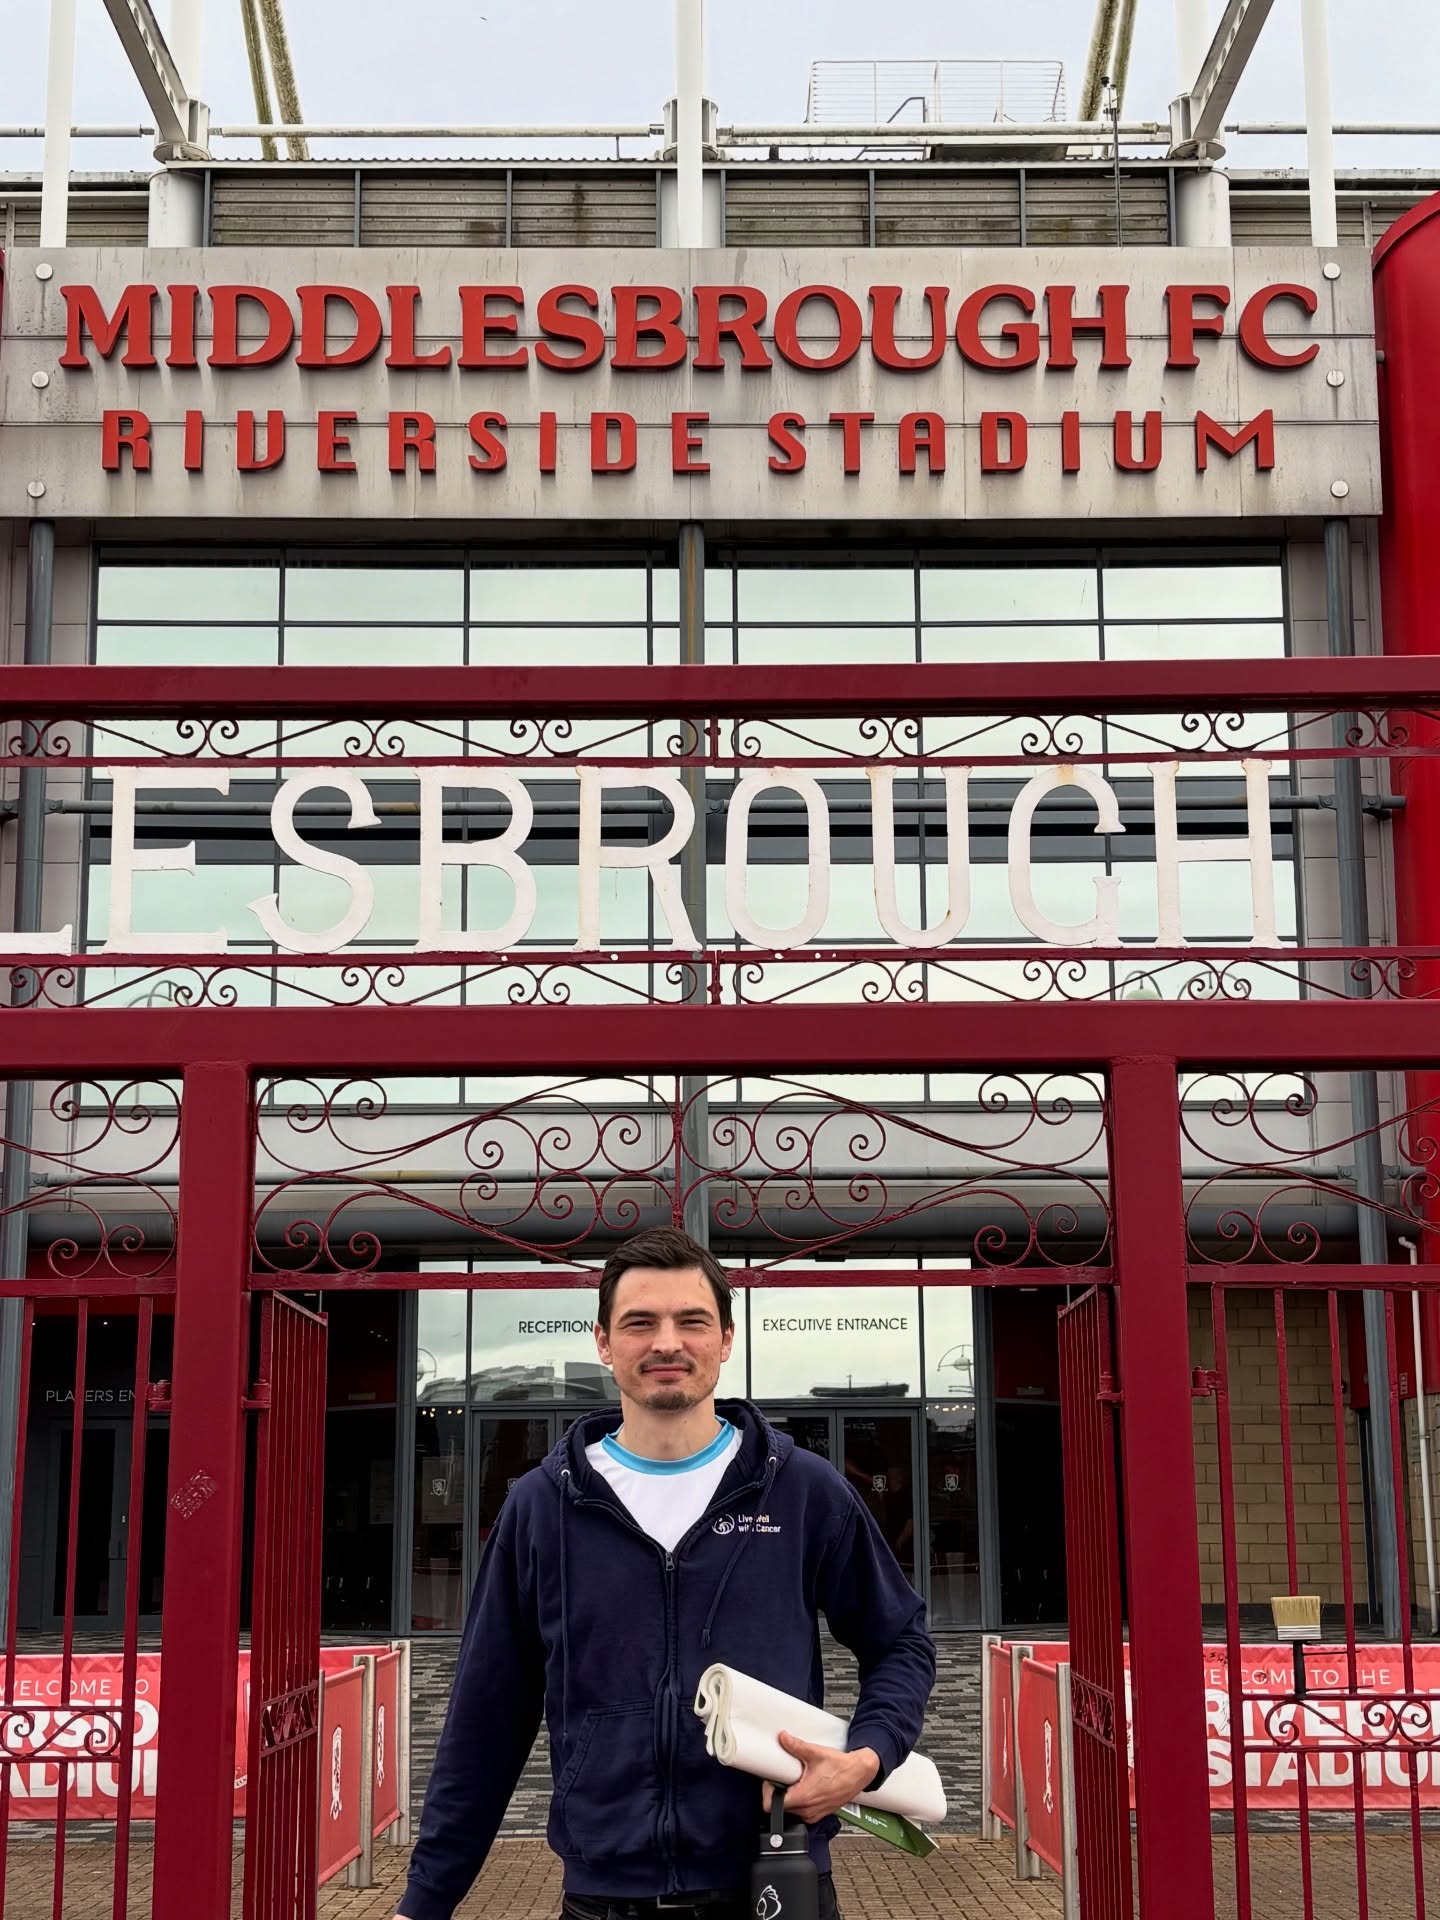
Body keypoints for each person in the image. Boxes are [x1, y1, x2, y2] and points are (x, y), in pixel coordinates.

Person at [395, 1226, 937, 1920]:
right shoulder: (541, 1507)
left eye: (692, 1321)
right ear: (603, 1342)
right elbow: (485, 1719)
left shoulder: (802, 1491)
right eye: (640, 1323)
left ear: (727, 1339)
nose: (667, 1343)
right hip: (605, 1896)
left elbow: (901, 1640)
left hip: (774, 1881)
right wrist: (424, 1901)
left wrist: (867, 1755)